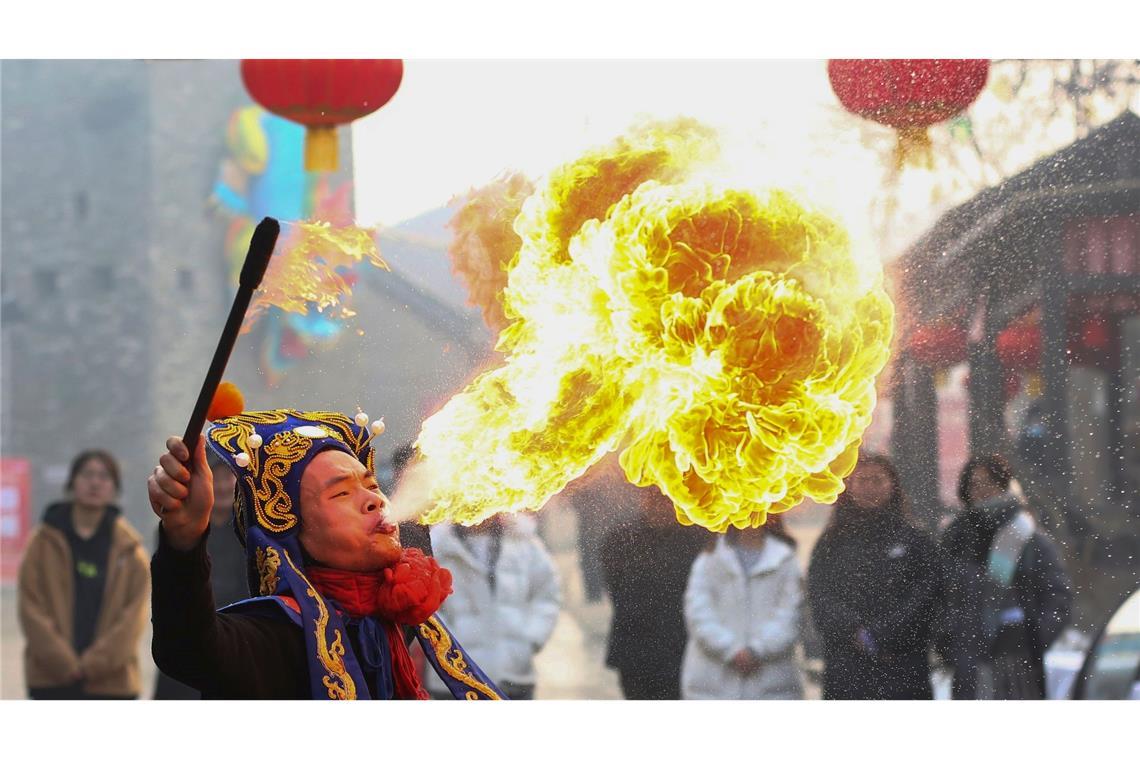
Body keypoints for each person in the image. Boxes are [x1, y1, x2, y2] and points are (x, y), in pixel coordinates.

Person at [147, 408, 506, 699]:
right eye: (341, 494)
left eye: (370, 485)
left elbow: (410, 532)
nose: (374, 501)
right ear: (293, 532)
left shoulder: (387, 615)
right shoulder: (274, 637)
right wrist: (184, 538)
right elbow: (187, 649)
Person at [806, 453, 941, 699]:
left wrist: (886, 633)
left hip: (903, 666)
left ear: (892, 485)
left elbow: (926, 595)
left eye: (877, 480)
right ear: (850, 487)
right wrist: (854, 630)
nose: (870, 488)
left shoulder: (914, 540)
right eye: (863, 480)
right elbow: (820, 595)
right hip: (847, 668)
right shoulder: (832, 542)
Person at [938, 453, 1073, 699]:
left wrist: (1033, 639)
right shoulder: (955, 537)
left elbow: (1057, 597)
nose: (981, 490)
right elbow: (940, 595)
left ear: (1004, 484)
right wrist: (949, 641)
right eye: (974, 484)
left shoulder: (1028, 536)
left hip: (1018, 663)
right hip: (969, 662)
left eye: (989, 482)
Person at [18, 450, 150, 699]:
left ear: (114, 488)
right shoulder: (42, 543)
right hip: (51, 679)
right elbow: (30, 607)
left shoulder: (130, 550)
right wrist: (63, 661)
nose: (95, 482)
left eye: (104, 476)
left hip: (113, 684)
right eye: (87, 474)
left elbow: (133, 619)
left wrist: (93, 664)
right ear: (72, 483)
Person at [426, 513, 561, 699]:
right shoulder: (437, 545)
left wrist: (530, 639)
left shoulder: (522, 539)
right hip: (455, 677)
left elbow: (547, 593)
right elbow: (427, 607)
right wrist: (446, 646)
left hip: (514, 675)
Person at [153, 451, 247, 699]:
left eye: (229, 477)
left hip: (236, 644)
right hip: (186, 645)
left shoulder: (251, 532)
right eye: (216, 477)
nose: (224, 486)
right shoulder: (179, 531)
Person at [600, 484, 707, 699]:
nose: (661, 507)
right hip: (636, 649)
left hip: (680, 648)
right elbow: (615, 586)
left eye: (667, 501)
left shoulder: (695, 538)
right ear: (644, 500)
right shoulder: (622, 538)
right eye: (655, 499)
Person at [680, 517, 804, 700]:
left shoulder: (784, 559)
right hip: (713, 687)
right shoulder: (710, 557)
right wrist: (731, 650)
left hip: (771, 688)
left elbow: (790, 613)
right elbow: (698, 611)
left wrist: (758, 650)